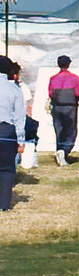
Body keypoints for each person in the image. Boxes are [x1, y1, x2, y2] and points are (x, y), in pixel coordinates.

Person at [47, 54, 79, 165]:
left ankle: (60, 150)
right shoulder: (75, 78)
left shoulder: (53, 79)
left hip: (57, 107)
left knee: (59, 130)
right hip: (70, 107)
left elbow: (50, 93)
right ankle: (64, 151)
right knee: (71, 131)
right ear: (69, 64)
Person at [0, 56, 25, 210]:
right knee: (7, 168)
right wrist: (20, 139)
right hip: (6, 130)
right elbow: (20, 116)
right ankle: (3, 205)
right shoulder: (14, 89)